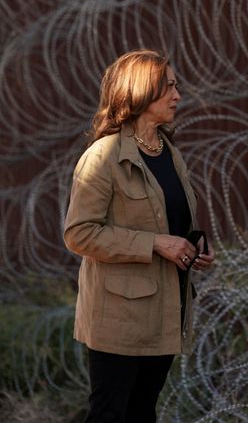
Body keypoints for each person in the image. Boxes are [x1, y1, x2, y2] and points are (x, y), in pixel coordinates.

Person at [63, 49, 216, 422]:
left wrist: (194, 245)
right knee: (111, 413)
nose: (178, 95)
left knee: (143, 412)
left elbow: (172, 220)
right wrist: (156, 244)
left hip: (164, 309)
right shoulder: (104, 156)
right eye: (169, 87)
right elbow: (79, 233)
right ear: (140, 92)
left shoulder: (169, 152)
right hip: (118, 315)